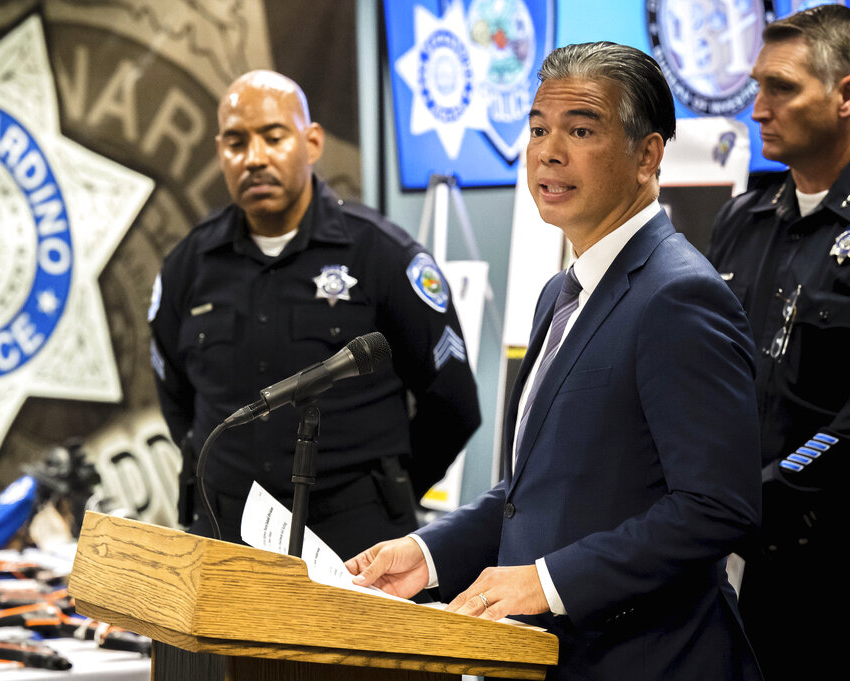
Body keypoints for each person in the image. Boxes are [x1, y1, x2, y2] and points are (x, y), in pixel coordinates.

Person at [346, 43, 763, 680]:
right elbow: (532, 493)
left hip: (654, 662)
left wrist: (545, 582)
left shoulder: (679, 296)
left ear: (648, 155)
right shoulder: (560, 293)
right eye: (538, 129)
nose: (548, 151)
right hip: (555, 661)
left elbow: (717, 507)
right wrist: (425, 553)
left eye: (581, 130)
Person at [147, 70, 481, 560]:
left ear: (313, 141)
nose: (255, 157)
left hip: (356, 546)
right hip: (224, 539)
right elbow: (177, 400)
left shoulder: (382, 255)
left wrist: (387, 492)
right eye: (237, 142)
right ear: (220, 151)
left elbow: (452, 403)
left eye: (273, 136)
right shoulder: (187, 266)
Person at [706, 5, 850, 678]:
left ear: (845, 95)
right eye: (757, 86)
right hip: (732, 560)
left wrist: (765, 490)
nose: (758, 108)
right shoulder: (742, 222)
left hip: (828, 571)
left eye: (782, 88)